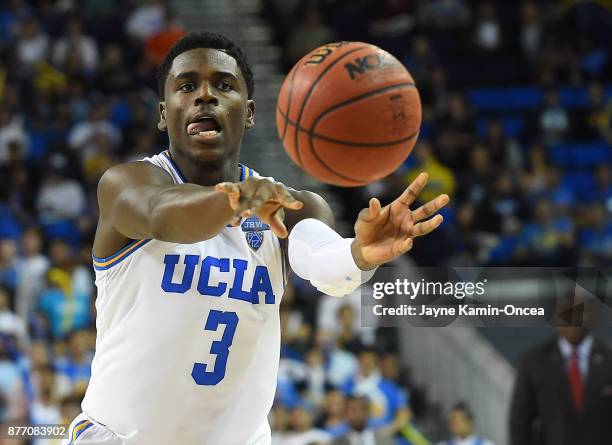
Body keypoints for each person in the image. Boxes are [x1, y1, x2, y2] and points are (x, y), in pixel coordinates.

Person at [64, 31, 449, 445]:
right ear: (164, 112)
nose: (205, 95)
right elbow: (163, 216)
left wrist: (359, 255)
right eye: (187, 85)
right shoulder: (126, 184)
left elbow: (323, 266)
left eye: (224, 85)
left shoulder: (293, 204)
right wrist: (236, 202)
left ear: (248, 112)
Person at [509, 295, 612, 445]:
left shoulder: (609, 360)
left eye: (579, 313)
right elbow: (520, 423)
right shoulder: (534, 362)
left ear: (592, 318)